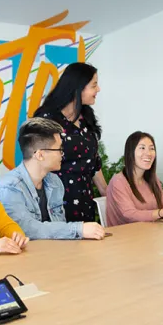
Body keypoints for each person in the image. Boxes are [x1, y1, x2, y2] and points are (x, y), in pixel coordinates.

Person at [0, 118, 105, 240]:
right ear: (40, 155)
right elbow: (25, 230)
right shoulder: (10, 187)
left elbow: (59, 224)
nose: (62, 155)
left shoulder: (54, 181)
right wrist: (78, 229)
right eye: (59, 150)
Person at [33, 62, 107, 222]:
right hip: (55, 204)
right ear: (78, 87)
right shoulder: (47, 119)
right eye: (94, 85)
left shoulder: (86, 117)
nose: (98, 89)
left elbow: (94, 163)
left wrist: (106, 195)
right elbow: (35, 164)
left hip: (85, 201)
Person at [105, 132, 163, 227]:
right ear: (130, 152)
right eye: (142, 148)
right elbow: (130, 215)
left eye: (152, 149)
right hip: (127, 237)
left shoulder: (153, 180)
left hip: (152, 233)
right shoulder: (118, 181)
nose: (148, 153)